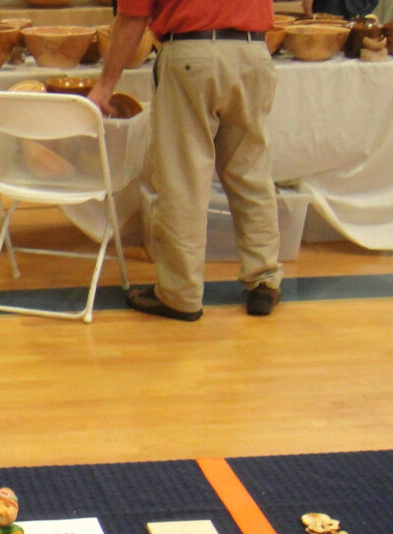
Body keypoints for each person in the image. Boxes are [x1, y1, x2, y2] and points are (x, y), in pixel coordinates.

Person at [88, 1, 284, 321]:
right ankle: (264, 278)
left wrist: (105, 86)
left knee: (183, 178)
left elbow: (132, 19)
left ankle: (180, 293)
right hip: (254, 54)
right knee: (251, 172)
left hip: (194, 53)